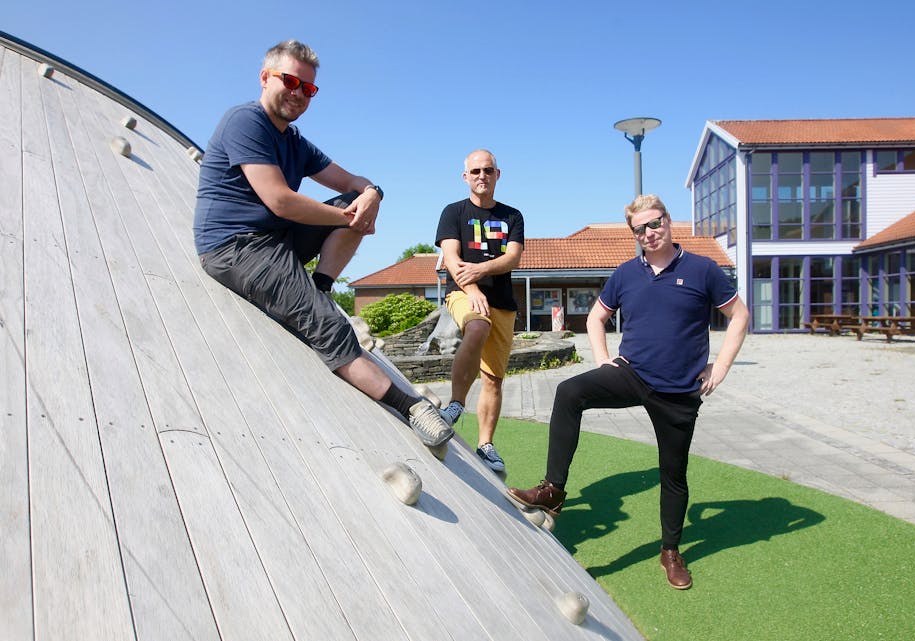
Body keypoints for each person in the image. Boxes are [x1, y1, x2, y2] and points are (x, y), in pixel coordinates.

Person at [193, 39, 452, 448]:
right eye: (290, 80)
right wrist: (351, 216)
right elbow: (279, 199)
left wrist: (371, 195)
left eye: (308, 88)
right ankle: (411, 407)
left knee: (355, 203)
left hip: (277, 237)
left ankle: (320, 288)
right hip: (235, 247)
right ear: (265, 78)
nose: (298, 93)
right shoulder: (245, 122)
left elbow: (353, 182)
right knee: (329, 326)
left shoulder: (294, 141)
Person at [508, 194, 749, 590]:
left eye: (655, 224)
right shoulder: (625, 274)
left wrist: (719, 366)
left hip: (679, 391)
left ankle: (670, 551)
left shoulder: (703, 270)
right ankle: (552, 490)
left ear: (669, 222)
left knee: (674, 475)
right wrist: (603, 359)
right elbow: (596, 317)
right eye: (641, 229)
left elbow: (739, 315)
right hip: (632, 373)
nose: (650, 233)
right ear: (632, 233)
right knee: (570, 392)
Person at [435, 150, 525, 472]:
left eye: (488, 170)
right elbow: (451, 258)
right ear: (465, 177)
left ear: (498, 174)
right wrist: (472, 288)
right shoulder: (453, 213)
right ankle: (456, 405)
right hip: (462, 293)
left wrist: (480, 269)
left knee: (493, 380)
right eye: (475, 171)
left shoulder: (512, 216)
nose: (481, 176)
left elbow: (513, 258)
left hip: (503, 302)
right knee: (477, 326)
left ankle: (486, 445)